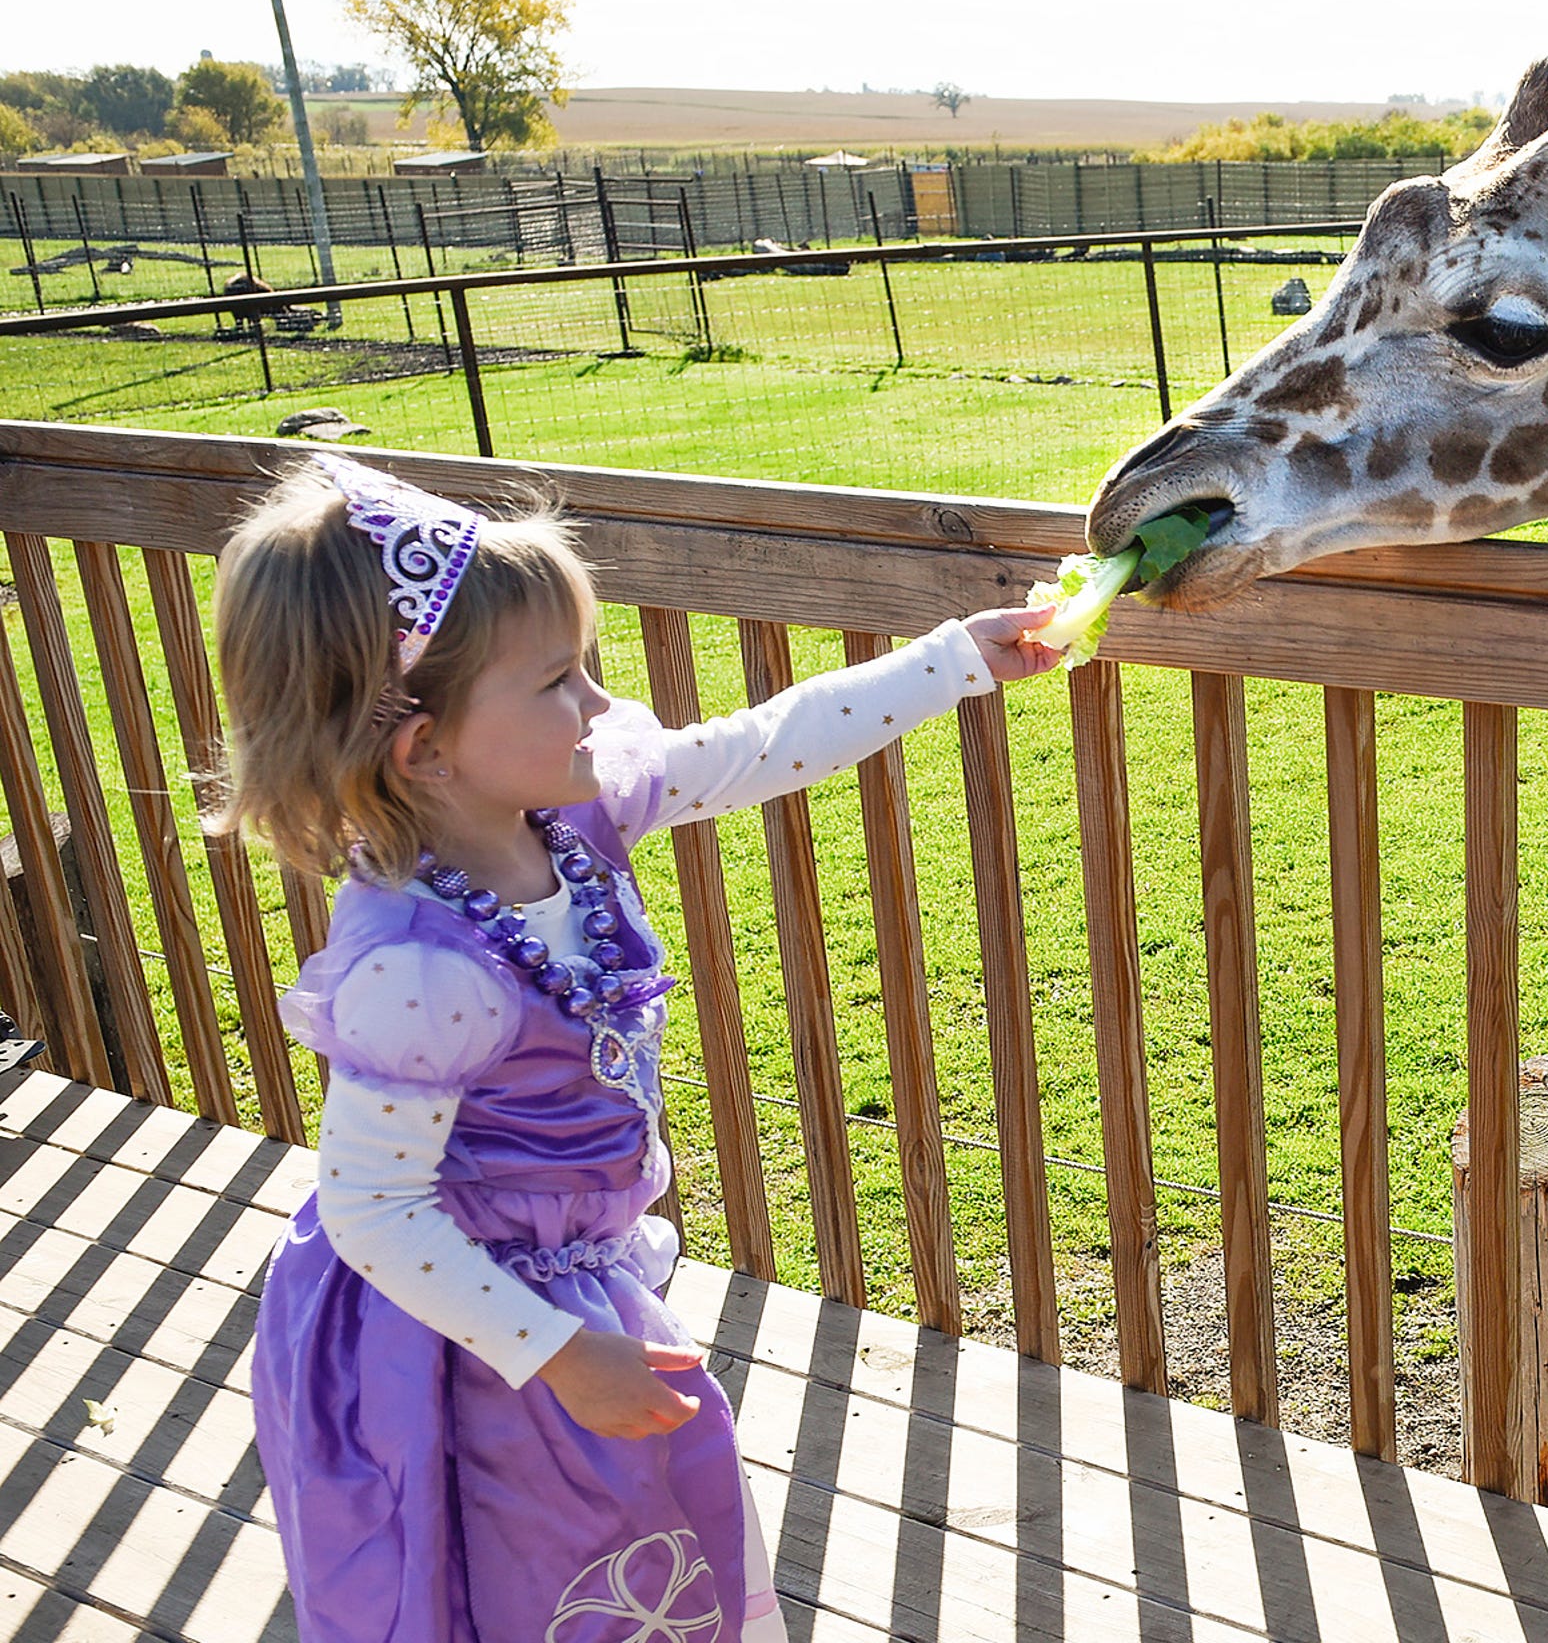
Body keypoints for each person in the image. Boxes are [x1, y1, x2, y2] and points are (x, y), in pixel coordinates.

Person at [217, 453, 1063, 1641]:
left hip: (567, 1302)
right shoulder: (421, 969)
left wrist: (957, 659)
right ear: (423, 750)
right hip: (466, 1352)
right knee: (534, 1578)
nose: (604, 708)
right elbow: (373, 1210)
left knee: (638, 1546)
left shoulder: (568, 814)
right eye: (561, 680)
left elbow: (761, 744)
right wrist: (558, 1355)